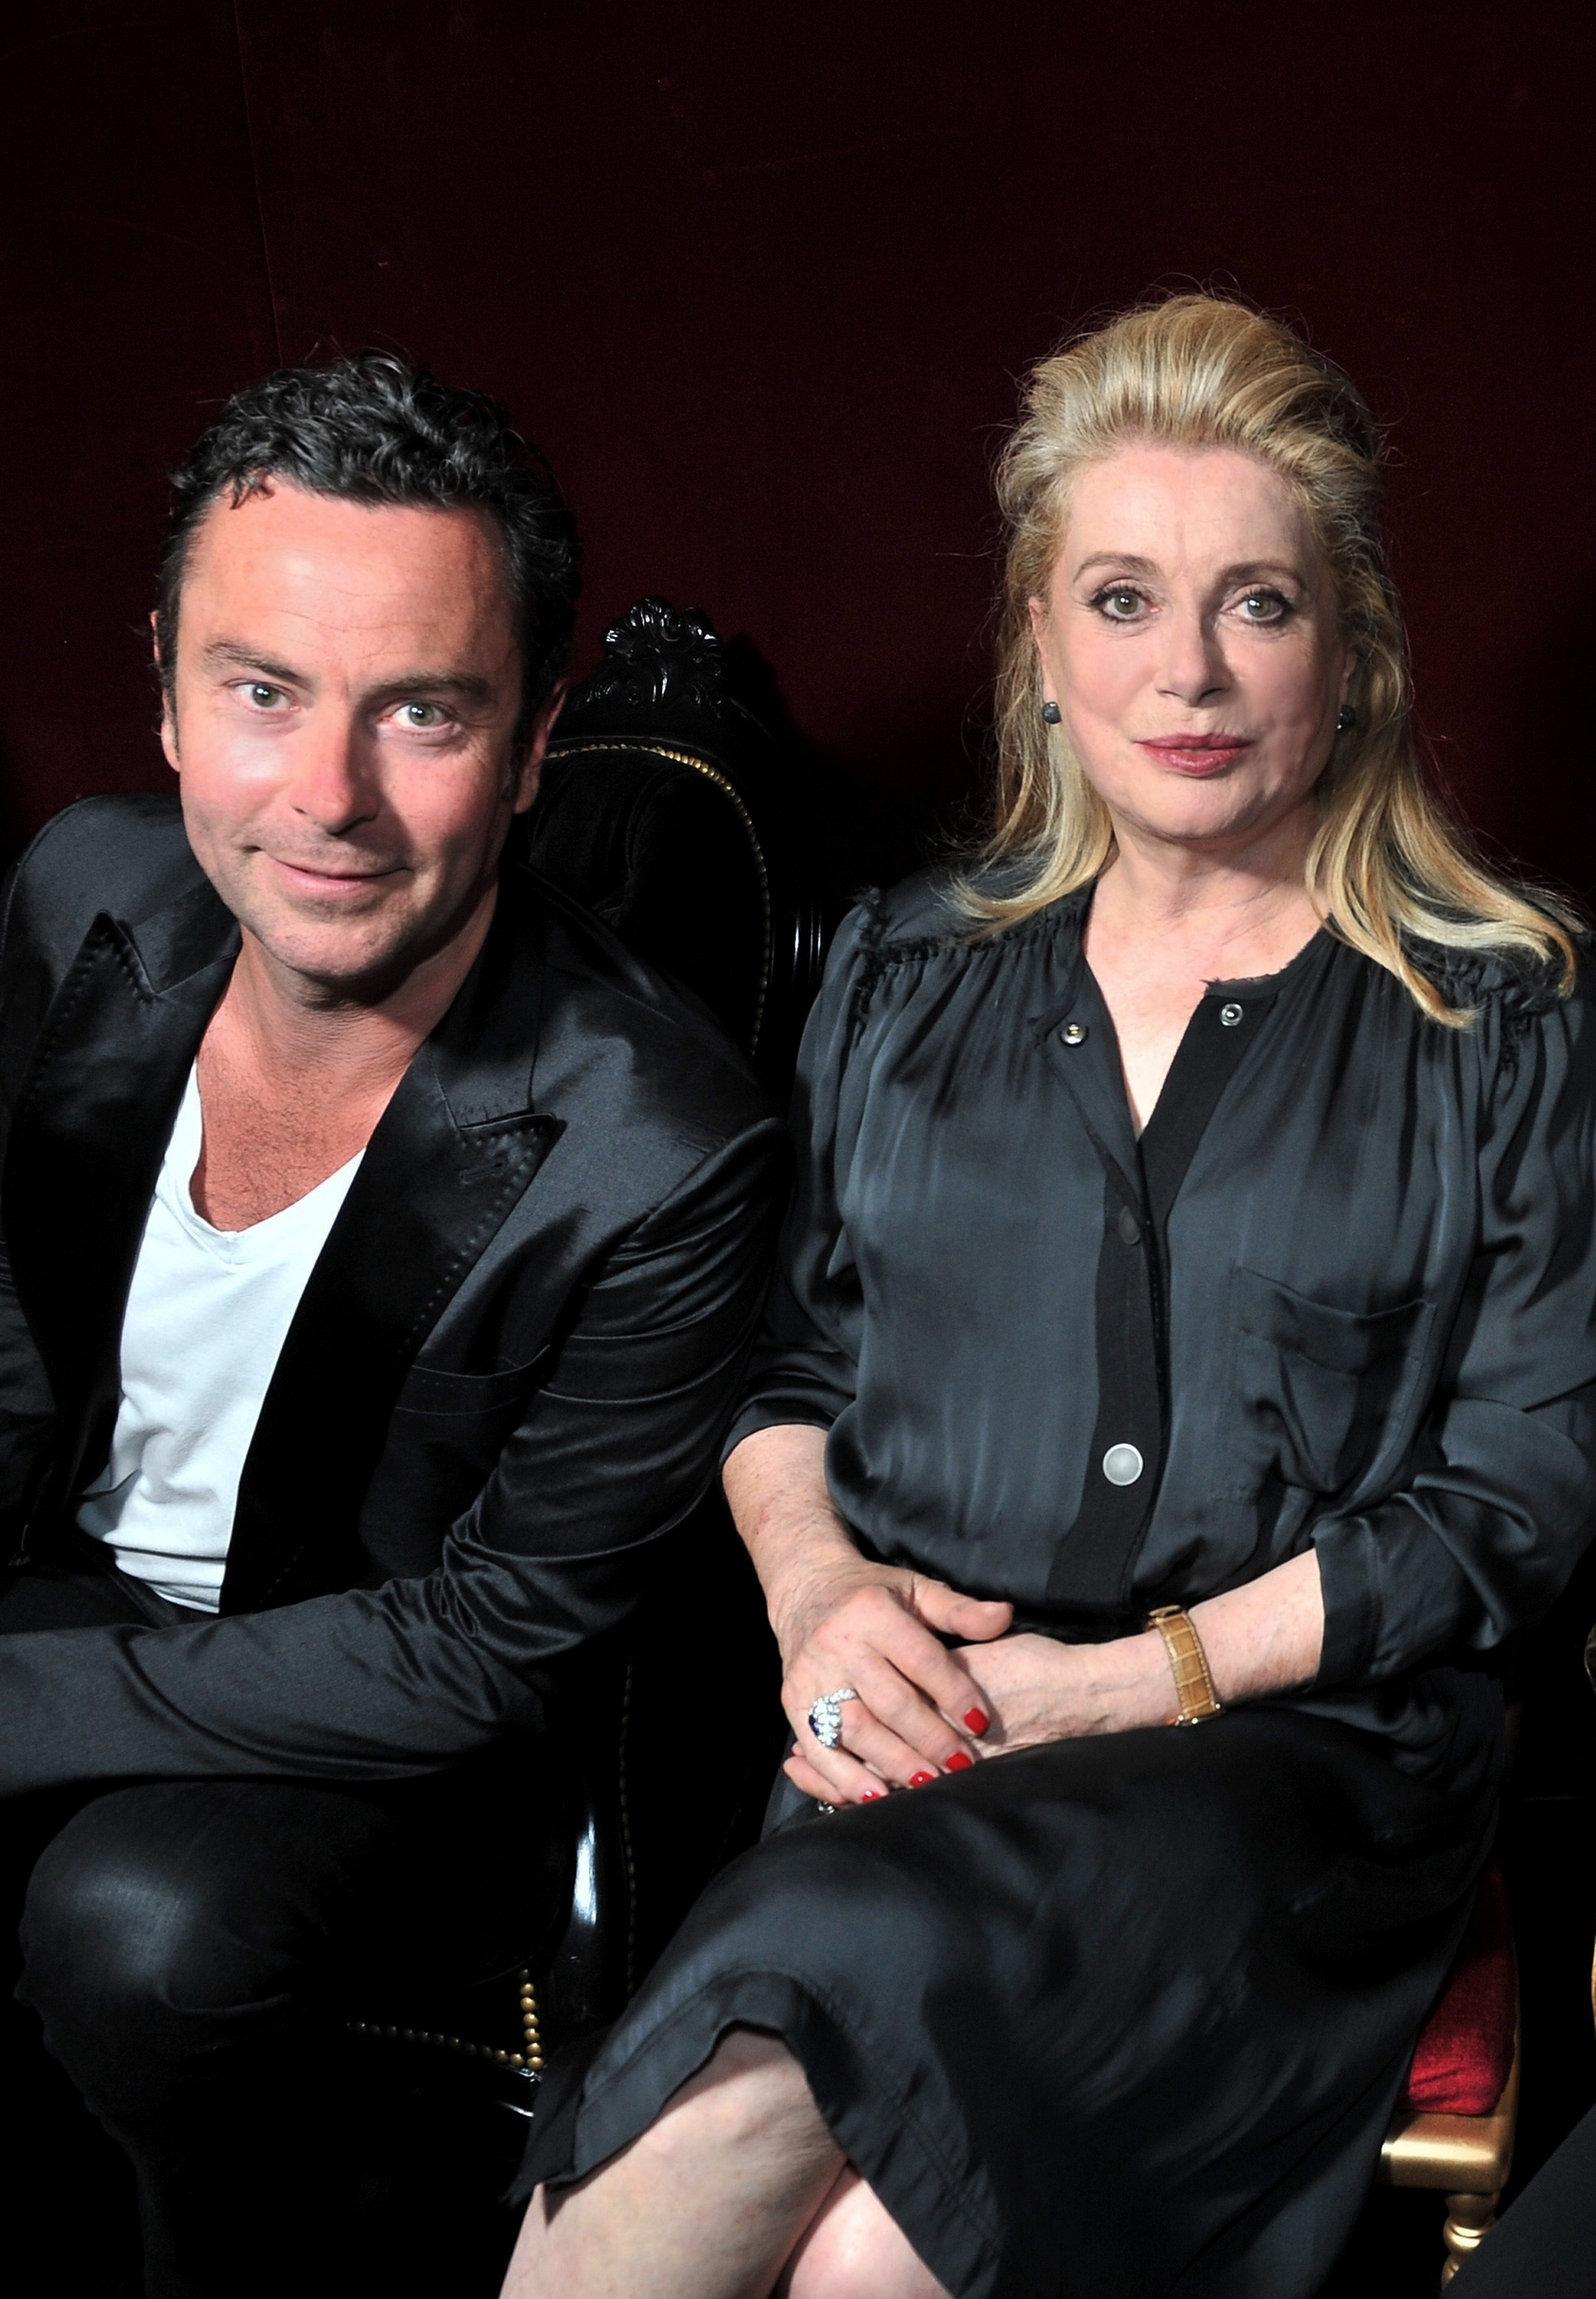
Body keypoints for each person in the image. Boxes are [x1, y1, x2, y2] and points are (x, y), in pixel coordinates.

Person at [501, 295, 1596, 2299]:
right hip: (910, 1737)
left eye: (1256, 603)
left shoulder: (1496, 1016)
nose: (1186, 672)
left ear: (1350, 643)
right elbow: (783, 1367)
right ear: (1039, 641)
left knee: (762, 2062)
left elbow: (1516, 1500)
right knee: (863, 2250)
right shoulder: (906, 974)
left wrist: (1116, 1685)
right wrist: (816, 1596)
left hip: (1283, 1781)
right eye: (1121, 599)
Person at [0, 354, 784, 2294]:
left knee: (138, 1929)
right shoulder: (81, 890)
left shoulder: (658, 1143)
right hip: (66, 1595)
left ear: (528, 745)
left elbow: (491, 1642)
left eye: (420, 710)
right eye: (261, 693)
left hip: (372, 1712)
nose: (328, 798)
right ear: (167, 688)